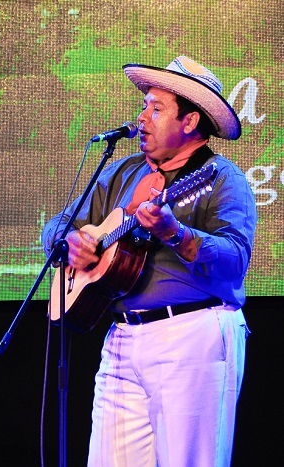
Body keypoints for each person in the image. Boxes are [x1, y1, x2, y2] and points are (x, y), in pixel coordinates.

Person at [42, 56, 256, 466]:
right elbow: (57, 225)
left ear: (190, 122)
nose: (142, 117)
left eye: (156, 108)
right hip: (123, 337)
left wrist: (174, 232)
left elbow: (233, 262)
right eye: (145, 106)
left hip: (193, 333)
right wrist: (70, 241)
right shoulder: (121, 172)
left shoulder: (221, 178)